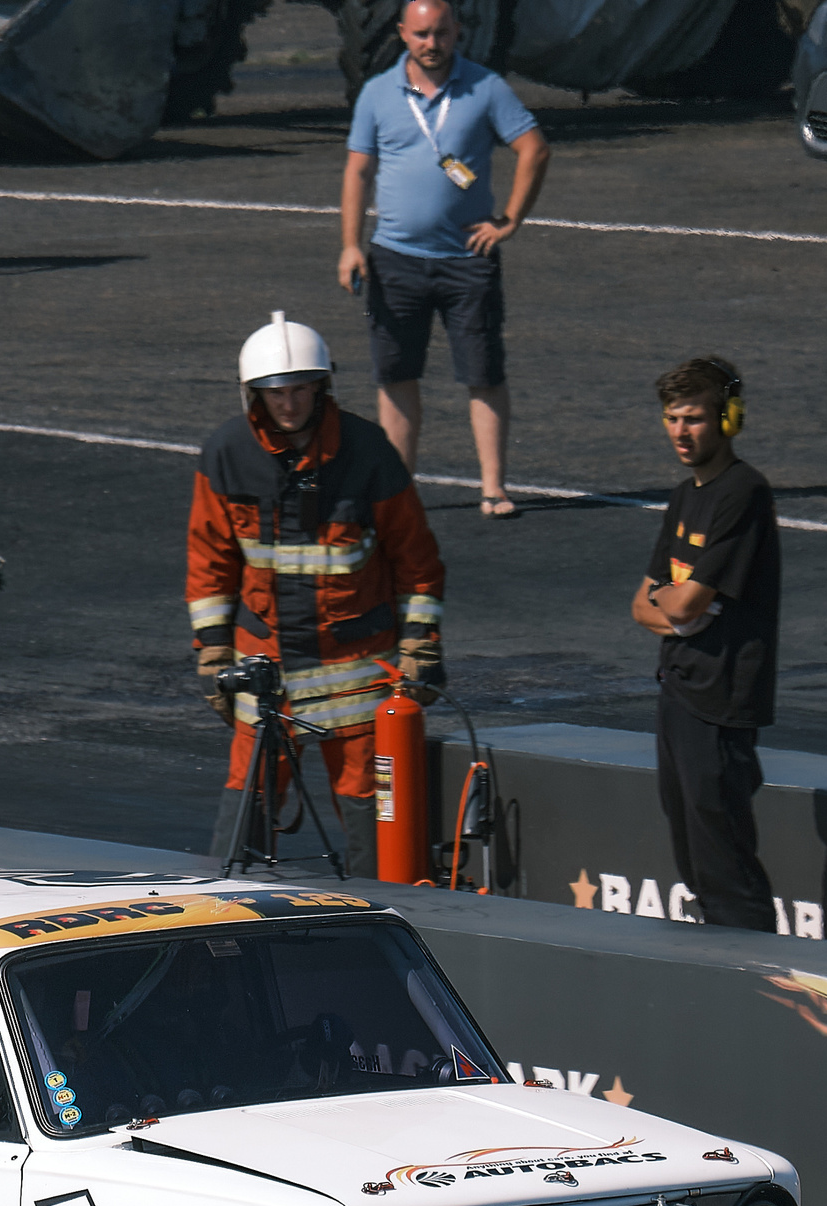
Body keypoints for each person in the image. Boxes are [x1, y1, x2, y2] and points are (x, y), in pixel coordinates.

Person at [187, 312, 446, 876]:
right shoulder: (227, 453)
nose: (289, 403)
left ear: (322, 385)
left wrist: (421, 644)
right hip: (266, 673)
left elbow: (416, 562)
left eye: (300, 388)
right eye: (276, 391)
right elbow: (210, 562)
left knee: (378, 834)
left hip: (357, 676)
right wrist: (211, 649)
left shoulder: (367, 451)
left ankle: (390, 926)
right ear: (254, 394)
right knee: (241, 826)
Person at [337, 0, 549, 517]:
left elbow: (534, 148)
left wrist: (510, 219)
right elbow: (358, 172)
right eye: (422, 34)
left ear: (458, 32)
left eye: (442, 33)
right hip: (395, 259)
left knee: (483, 372)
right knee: (396, 374)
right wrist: (349, 244)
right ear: (403, 34)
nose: (433, 44)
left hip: (466, 261)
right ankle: (399, 490)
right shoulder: (377, 94)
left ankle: (494, 488)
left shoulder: (486, 87)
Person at [629, 357, 780, 933]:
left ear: (728, 418)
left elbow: (683, 605)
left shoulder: (743, 492)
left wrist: (679, 605)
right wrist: (681, 606)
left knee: (725, 861)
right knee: (690, 851)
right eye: (671, 419)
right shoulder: (682, 495)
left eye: (693, 418)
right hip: (678, 689)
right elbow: (645, 605)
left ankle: (753, 974)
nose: (680, 432)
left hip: (722, 699)